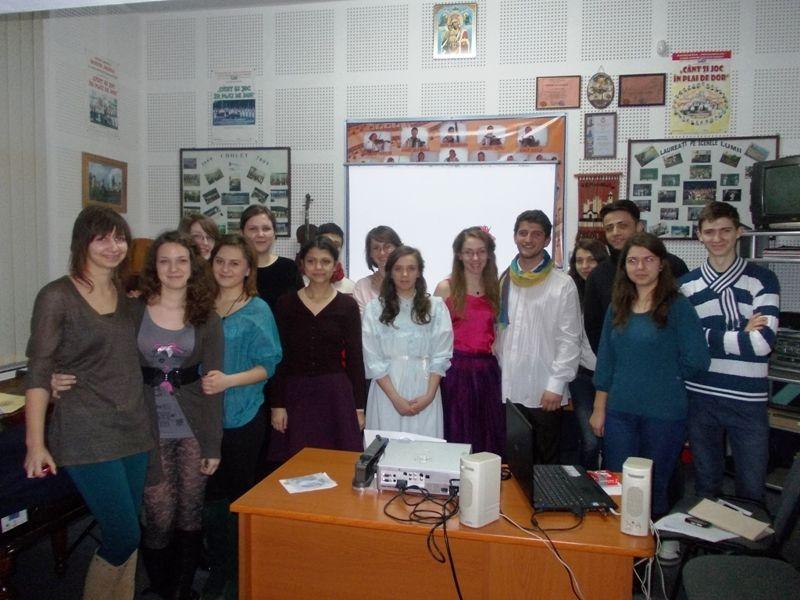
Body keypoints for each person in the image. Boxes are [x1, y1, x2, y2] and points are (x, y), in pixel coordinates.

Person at [24, 206, 153, 599]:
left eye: (119, 238)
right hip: (86, 431)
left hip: (134, 429)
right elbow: (37, 371)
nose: (113, 246)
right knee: (123, 534)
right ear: (82, 242)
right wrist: (35, 444)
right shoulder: (57, 297)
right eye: (102, 238)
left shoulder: (130, 298)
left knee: (130, 532)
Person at [590, 232, 710, 518]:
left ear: (661, 264)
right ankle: (619, 545)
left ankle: (652, 541)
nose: (640, 267)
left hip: (663, 415)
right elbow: (606, 360)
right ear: (624, 267)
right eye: (633, 261)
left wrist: (664, 375)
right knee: (617, 485)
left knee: (653, 487)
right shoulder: (617, 306)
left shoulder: (678, 306)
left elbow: (698, 360)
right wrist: (599, 408)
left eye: (648, 260)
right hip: (620, 412)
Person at [134, 231, 223, 599]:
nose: (173, 268)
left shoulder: (207, 316)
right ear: (154, 267)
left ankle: (180, 590)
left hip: (192, 425)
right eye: (165, 261)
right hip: (146, 425)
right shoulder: (133, 310)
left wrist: (213, 445)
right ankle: (161, 585)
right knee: (158, 513)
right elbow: (103, 357)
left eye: (181, 260)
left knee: (190, 511)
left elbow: (214, 384)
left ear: (192, 266)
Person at [680, 202, 780, 502]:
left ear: (739, 232)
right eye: (709, 232)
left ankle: (749, 535)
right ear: (699, 235)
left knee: (751, 488)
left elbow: (762, 344)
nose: (717, 238)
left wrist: (704, 335)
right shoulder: (685, 286)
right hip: (700, 395)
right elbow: (682, 343)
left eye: (725, 230)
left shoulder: (762, 279)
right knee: (705, 487)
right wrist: (740, 334)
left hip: (747, 400)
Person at [202, 234, 282, 600]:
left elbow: (268, 365)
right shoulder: (199, 305)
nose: (225, 269)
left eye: (235, 263)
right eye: (220, 261)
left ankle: (239, 573)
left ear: (248, 269)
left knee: (237, 495)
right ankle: (218, 567)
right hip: (202, 417)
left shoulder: (258, 309)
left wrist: (228, 381)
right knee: (209, 497)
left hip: (243, 415)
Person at [268, 236, 366, 462]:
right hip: (296, 393)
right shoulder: (286, 304)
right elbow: (279, 357)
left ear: (335, 265)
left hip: (335, 395)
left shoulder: (347, 305)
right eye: (311, 261)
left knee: (337, 462)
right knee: (296, 463)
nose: (318, 267)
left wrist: (358, 407)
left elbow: (355, 358)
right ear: (302, 264)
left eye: (325, 261)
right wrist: (277, 404)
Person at [495, 210, 581, 464]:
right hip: (509, 387)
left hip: (544, 391)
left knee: (544, 464)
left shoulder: (562, 284)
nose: (528, 239)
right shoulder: (505, 279)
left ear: (547, 240)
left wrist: (556, 385)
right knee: (514, 462)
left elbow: (570, 340)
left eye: (536, 234)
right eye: (523, 233)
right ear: (515, 237)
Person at [362, 246, 453, 437]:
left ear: (419, 272)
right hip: (387, 390)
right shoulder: (374, 309)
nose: (405, 274)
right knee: (386, 446)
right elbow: (372, 358)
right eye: (398, 268)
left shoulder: (436, 307)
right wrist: (395, 398)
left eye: (411, 268)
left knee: (424, 448)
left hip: (425, 387)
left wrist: (429, 395)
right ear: (390, 272)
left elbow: (441, 354)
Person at [584, 200, 689, 354]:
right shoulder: (597, 275)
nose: (615, 232)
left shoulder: (672, 265)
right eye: (609, 228)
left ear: (639, 226)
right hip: (621, 362)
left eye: (622, 226)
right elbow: (594, 329)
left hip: (667, 361)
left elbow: (686, 323)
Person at [434, 227, 503, 455]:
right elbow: (433, 336)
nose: (475, 258)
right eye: (469, 252)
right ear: (459, 255)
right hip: (455, 372)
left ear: (489, 254)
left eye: (481, 251)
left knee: (487, 435)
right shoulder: (446, 288)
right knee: (457, 433)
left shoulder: (496, 289)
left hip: (487, 373)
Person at [563, 238, 609, 469]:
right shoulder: (571, 293)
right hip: (582, 376)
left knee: (610, 440)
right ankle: (584, 484)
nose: (585, 266)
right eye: (579, 261)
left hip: (610, 378)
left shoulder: (611, 292)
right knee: (590, 441)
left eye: (591, 260)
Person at [240, 205, 303, 313]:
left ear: (274, 233)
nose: (260, 234)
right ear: (242, 233)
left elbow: (301, 308)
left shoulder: (289, 267)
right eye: (253, 229)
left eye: (266, 229)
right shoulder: (235, 269)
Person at [353, 225, 402, 316]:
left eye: (387, 247)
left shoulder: (408, 281)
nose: (382, 252)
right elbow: (364, 322)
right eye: (376, 248)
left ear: (397, 249)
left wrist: (385, 293)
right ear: (370, 253)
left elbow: (409, 319)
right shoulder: (362, 286)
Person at [314, 222, 356, 294]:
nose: (331, 249)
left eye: (336, 245)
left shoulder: (350, 288)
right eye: (327, 244)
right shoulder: (301, 284)